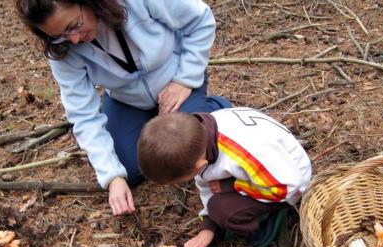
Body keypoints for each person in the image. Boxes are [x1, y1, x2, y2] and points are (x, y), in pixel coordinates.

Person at [15, 0, 231, 216]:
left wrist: (185, 79)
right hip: (127, 100)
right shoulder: (62, 50)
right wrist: (113, 177)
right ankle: (155, 123)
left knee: (185, 150)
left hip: (176, 81)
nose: (73, 39)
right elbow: (83, 115)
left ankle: (213, 110)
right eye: (59, 35)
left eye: (73, 25)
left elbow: (200, 19)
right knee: (133, 167)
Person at [137, 107, 312, 247]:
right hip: (264, 168)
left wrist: (231, 186)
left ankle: (268, 218)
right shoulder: (199, 137)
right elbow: (206, 183)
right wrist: (208, 224)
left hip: (288, 180)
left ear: (200, 165)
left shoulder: (243, 152)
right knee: (216, 204)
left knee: (223, 210)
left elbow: (287, 186)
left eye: (182, 180)